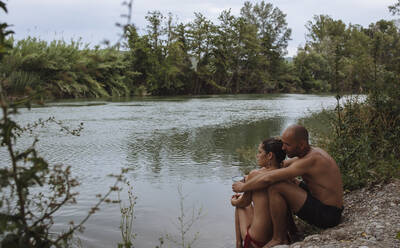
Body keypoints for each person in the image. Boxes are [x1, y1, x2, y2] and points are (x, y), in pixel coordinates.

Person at [232, 124, 343, 248]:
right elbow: (281, 165)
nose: (283, 148)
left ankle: (278, 238)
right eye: (283, 143)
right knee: (291, 181)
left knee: (277, 186)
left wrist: (243, 187)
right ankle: (293, 231)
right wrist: (247, 178)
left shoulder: (311, 159)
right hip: (325, 205)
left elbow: (269, 178)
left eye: (287, 145)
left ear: (301, 144)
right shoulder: (308, 154)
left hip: (328, 215)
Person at [231, 137, 287, 248]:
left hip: (257, 241)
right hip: (280, 236)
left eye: (260, 152)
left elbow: (245, 202)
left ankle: (238, 244)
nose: (257, 155)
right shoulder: (285, 173)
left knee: (239, 203)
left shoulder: (255, 174)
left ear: (270, 155)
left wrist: (233, 201)